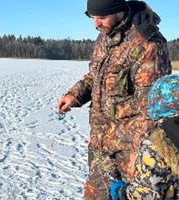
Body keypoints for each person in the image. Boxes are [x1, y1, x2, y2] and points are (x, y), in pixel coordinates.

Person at [56, 0, 172, 199]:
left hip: (129, 150)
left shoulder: (148, 44)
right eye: (92, 18)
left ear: (118, 10)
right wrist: (74, 95)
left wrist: (143, 150)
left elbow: (153, 108)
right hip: (101, 144)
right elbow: (95, 77)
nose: (96, 24)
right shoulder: (105, 36)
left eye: (101, 18)